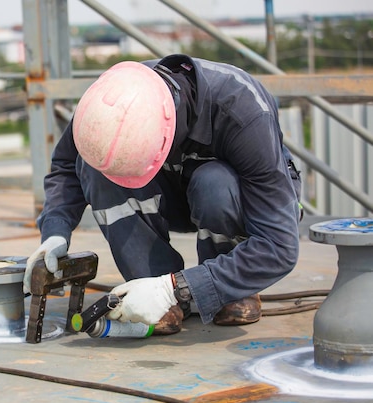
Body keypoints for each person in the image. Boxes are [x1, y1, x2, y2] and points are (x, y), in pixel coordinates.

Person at [23, 54, 302, 335]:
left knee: (216, 182)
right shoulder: (108, 102)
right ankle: (149, 290)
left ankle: (230, 288)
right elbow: (68, 166)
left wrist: (174, 288)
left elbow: (279, 247)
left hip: (226, 195)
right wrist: (55, 231)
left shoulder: (244, 112)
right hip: (167, 189)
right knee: (98, 170)